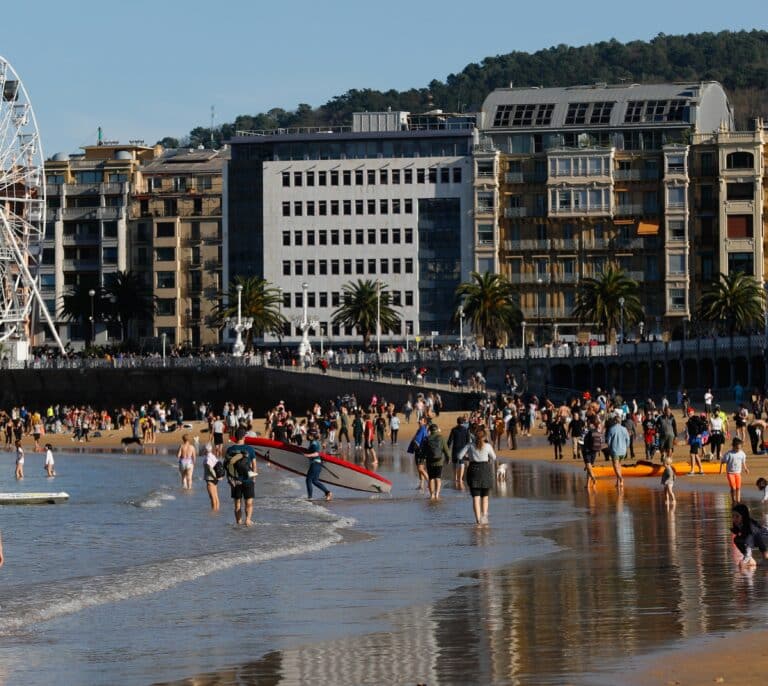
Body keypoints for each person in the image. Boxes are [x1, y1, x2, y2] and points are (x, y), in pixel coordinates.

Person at [459, 427, 496, 524]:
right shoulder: (487, 446)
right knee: (485, 497)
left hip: (473, 470)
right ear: (484, 437)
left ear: (474, 436)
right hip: (485, 470)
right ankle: (484, 517)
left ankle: (478, 520)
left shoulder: (470, 445)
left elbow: (459, 456)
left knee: (476, 497)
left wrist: (469, 458)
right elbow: (494, 457)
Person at [225, 443, 259, 526]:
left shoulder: (230, 449)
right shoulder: (250, 449)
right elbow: (254, 464)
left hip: (235, 481)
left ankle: (238, 523)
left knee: (237, 504)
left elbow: (227, 466)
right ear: (244, 436)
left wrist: (229, 479)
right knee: (249, 503)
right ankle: (247, 521)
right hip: (248, 480)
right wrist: (254, 478)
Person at [730, 502, 768, 568]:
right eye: (733, 516)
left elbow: (750, 542)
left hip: (765, 537)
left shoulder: (750, 527)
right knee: (737, 539)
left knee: (742, 564)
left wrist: (745, 560)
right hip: (758, 539)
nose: (734, 519)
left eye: (737, 516)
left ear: (743, 516)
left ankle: (765, 558)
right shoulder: (741, 525)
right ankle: (751, 560)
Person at [423, 423, 450, 500]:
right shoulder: (441, 438)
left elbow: (423, 451)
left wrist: (422, 459)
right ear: (437, 429)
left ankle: (432, 495)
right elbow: (446, 450)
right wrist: (448, 458)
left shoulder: (427, 438)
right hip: (439, 461)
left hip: (430, 461)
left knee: (431, 478)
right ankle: (437, 494)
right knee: (438, 478)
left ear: (430, 430)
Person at [719, 437, 749, 503]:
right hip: (730, 473)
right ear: (733, 446)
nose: (739, 449)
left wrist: (746, 468)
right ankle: (733, 500)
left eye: (740, 448)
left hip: (738, 473)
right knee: (733, 487)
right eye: (737, 448)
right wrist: (721, 470)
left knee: (738, 488)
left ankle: (738, 501)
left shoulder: (742, 454)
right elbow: (722, 462)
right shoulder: (729, 454)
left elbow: (743, 462)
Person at [305, 430, 332, 501]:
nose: (307, 436)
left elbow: (317, 453)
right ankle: (327, 492)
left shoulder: (314, 443)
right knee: (315, 481)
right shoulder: (313, 442)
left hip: (315, 464)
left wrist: (308, 455)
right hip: (317, 464)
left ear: (311, 436)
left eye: (308, 435)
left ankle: (310, 497)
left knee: (308, 480)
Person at [606, 415, 630, 489]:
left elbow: (608, 441)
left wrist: (609, 449)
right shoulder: (624, 429)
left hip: (615, 450)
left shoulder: (611, 429)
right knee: (619, 465)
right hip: (623, 450)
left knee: (615, 466)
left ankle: (620, 478)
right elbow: (628, 440)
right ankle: (619, 482)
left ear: (615, 421)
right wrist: (626, 447)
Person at [407, 416, 429, 490]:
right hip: (418, 451)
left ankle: (429, 482)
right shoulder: (420, 429)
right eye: (419, 420)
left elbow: (417, 441)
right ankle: (421, 485)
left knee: (420, 468)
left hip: (421, 452)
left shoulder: (422, 429)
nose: (419, 421)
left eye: (421, 420)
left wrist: (414, 447)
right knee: (419, 469)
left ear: (425, 422)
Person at [448, 415, 471, 486]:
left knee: (454, 463)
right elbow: (468, 441)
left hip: (455, 448)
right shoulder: (466, 430)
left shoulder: (453, 429)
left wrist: (447, 448)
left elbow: (450, 440)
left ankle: (455, 477)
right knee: (462, 463)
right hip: (463, 449)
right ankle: (460, 479)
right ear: (463, 422)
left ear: (457, 422)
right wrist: (467, 451)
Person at [202, 442, 221, 511]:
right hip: (215, 480)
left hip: (210, 479)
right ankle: (217, 511)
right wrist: (217, 477)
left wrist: (215, 477)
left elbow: (210, 469)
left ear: (205, 450)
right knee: (216, 497)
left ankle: (213, 512)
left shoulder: (207, 458)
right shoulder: (213, 456)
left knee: (212, 497)